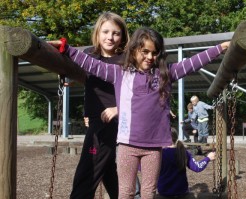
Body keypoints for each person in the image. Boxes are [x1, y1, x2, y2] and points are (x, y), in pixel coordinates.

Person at [49, 27, 229, 198]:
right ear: (134, 50)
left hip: (154, 147)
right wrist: (67, 49)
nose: (150, 57)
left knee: (148, 191)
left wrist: (220, 48)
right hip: (128, 145)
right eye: (145, 51)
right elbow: (91, 64)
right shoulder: (120, 73)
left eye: (155, 52)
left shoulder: (165, 74)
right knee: (126, 191)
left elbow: (193, 63)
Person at [70, 12, 129, 199]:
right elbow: (85, 76)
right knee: (108, 167)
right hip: (96, 119)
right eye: (105, 32)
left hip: (112, 120)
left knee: (89, 170)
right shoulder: (89, 54)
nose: (110, 37)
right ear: (97, 33)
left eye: (116, 33)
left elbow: (137, 90)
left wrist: (119, 109)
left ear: (123, 36)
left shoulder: (126, 60)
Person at [157, 127, 215, 197]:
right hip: (181, 192)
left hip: (164, 192)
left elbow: (145, 169)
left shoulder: (159, 154)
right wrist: (208, 158)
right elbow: (197, 167)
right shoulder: (183, 152)